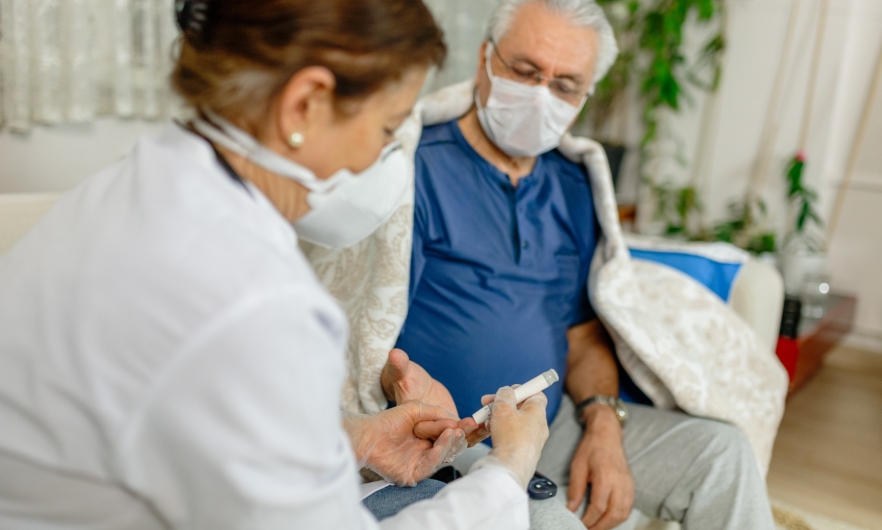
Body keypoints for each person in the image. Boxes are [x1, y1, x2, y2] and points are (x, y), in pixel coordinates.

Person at [0, 1, 549, 528]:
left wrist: (353, 439)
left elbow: (181, 419)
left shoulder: (130, 184)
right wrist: (507, 472)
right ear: (304, 103)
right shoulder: (255, 302)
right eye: (387, 131)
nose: (386, 162)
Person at [391, 0, 778, 529]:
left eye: (565, 85)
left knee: (722, 454)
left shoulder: (574, 184)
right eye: (525, 72)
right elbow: (371, 325)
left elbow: (581, 329)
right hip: (448, 436)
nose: (540, 95)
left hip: (553, 425)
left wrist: (603, 423)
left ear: (584, 98)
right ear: (485, 59)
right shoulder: (417, 168)